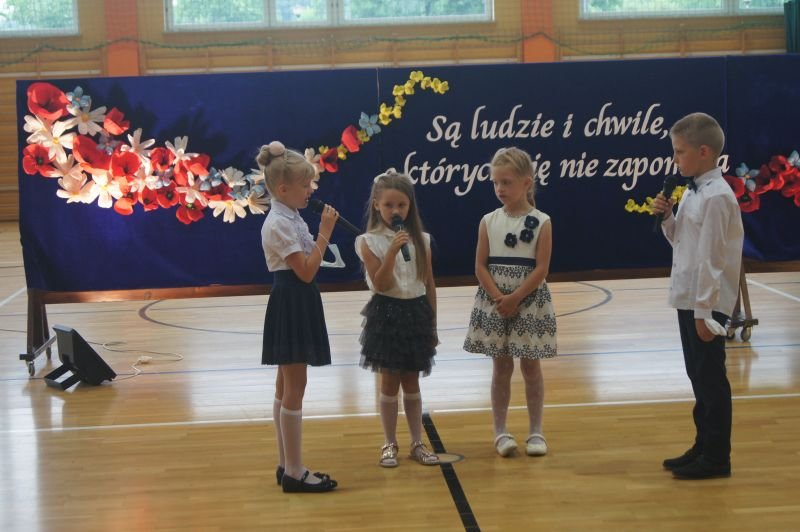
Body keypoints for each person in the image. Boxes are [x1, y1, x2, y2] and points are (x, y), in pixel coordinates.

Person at [652, 113, 744, 480]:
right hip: (689, 297)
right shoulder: (693, 191)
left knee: (711, 379)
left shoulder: (717, 197)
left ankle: (717, 457)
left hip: (706, 303)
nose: (675, 159)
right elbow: (684, 243)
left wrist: (705, 311)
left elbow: (712, 258)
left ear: (704, 152)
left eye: (679, 152)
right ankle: (702, 444)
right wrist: (667, 219)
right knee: (697, 376)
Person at [463, 147, 557, 458]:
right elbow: (480, 266)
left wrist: (516, 297)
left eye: (506, 182)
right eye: (495, 183)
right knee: (501, 367)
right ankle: (500, 432)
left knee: (531, 366)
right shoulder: (488, 221)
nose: (500, 189)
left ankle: (536, 431)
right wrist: (498, 298)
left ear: (526, 183)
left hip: (528, 301)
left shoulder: (542, 222)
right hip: (496, 302)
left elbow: (541, 268)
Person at [258, 140, 339, 493]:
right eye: (305, 185)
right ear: (283, 189)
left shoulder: (289, 216)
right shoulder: (279, 223)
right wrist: (324, 234)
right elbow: (305, 271)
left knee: (285, 386)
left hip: (297, 299)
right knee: (294, 387)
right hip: (292, 298)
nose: (310, 190)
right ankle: (293, 470)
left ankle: (285, 464)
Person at [355, 169, 440, 468]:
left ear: (409, 206)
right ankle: (389, 442)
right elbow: (381, 284)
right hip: (387, 314)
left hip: (416, 313)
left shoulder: (422, 240)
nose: (395, 211)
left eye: (401, 205)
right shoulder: (368, 241)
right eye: (389, 204)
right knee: (389, 383)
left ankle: (417, 442)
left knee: (412, 381)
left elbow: (429, 283)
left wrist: (432, 324)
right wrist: (391, 252)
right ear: (376, 205)